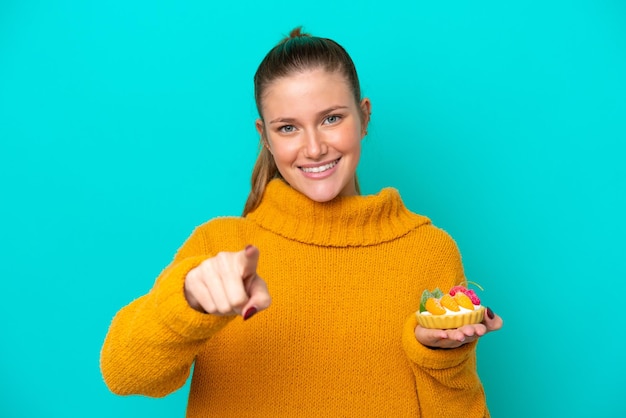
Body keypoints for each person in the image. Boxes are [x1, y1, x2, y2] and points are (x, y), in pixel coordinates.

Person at [100, 27, 504, 417]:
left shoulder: (426, 250)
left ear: (364, 117)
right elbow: (123, 375)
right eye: (288, 127)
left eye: (331, 119)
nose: (313, 148)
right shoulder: (219, 247)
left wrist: (442, 358)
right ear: (266, 137)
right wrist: (188, 300)